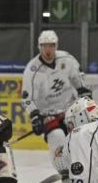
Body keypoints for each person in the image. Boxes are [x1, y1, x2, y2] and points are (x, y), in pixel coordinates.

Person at [21, 30, 92, 167]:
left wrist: (85, 96)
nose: (48, 50)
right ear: (39, 47)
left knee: (82, 139)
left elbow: (81, 83)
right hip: (48, 115)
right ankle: (64, 172)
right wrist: (35, 117)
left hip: (70, 110)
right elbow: (27, 98)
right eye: (44, 46)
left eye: (51, 45)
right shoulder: (32, 70)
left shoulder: (67, 60)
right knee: (58, 137)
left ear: (56, 45)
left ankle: (87, 170)